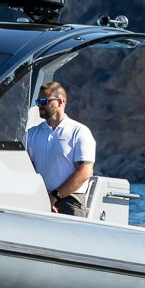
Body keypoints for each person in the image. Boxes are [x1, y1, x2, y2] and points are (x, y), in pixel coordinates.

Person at [25, 80, 95, 216]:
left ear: (60, 102)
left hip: (70, 201)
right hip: (39, 200)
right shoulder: (31, 134)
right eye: (38, 101)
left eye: (44, 101)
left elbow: (85, 172)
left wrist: (54, 196)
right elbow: (23, 168)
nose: (40, 105)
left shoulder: (79, 132)